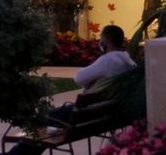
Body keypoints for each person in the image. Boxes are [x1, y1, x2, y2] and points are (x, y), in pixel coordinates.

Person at [8, 25, 135, 155]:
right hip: (103, 116)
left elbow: (79, 78)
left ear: (107, 39)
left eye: (101, 37)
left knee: (43, 120)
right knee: (45, 129)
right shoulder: (129, 62)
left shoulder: (109, 60)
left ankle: (24, 124)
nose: (99, 41)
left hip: (85, 115)